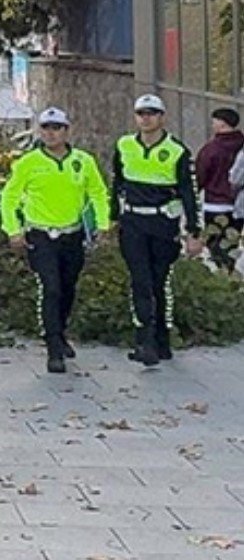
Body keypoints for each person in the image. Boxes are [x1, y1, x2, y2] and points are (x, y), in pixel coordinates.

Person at [0, 107, 111, 373]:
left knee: (68, 287)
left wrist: (103, 225)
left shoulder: (83, 161)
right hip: (41, 234)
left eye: (56, 128)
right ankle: (52, 348)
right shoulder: (28, 162)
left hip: (72, 234)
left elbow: (97, 192)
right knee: (51, 288)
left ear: (66, 131)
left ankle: (60, 332)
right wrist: (13, 230)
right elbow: (9, 197)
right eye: (46, 128)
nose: (50, 133)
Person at [111, 94, 204, 366]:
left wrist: (194, 232)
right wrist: (112, 217)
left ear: (162, 117)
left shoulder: (177, 150)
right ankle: (145, 341)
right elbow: (117, 182)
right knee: (140, 280)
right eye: (141, 113)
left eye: (152, 113)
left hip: (163, 223)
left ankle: (162, 339)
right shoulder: (124, 145)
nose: (146, 118)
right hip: (133, 222)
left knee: (159, 281)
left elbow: (189, 192)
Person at [196, 108, 244, 274]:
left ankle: (222, 279)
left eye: (214, 121)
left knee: (215, 246)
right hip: (238, 206)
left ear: (222, 124)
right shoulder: (241, 145)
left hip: (215, 204)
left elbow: (200, 175)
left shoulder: (211, 149)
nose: (212, 125)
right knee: (231, 245)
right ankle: (229, 273)